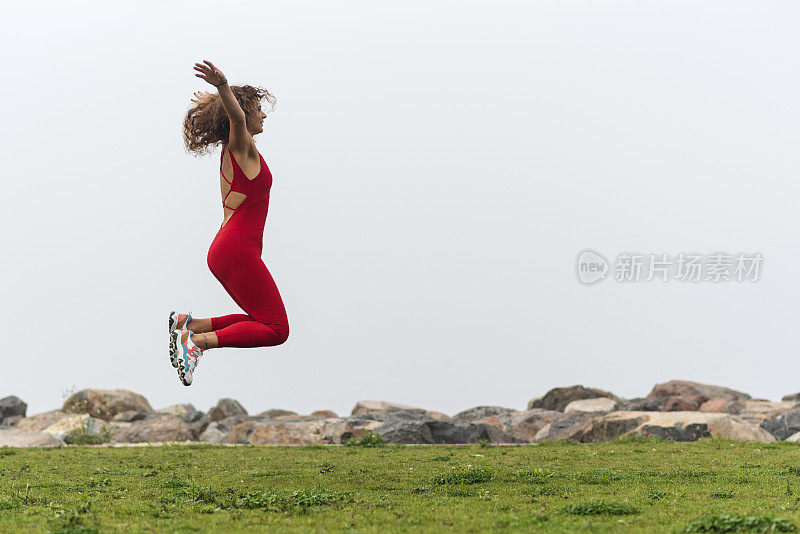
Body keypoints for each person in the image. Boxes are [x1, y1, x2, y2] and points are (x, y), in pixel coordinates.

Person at [171, 60, 290, 386]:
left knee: (261, 320)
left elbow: (234, 117)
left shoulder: (234, 152)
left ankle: (191, 326)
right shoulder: (242, 148)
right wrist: (222, 86)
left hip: (228, 248)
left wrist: (215, 100)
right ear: (244, 113)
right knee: (277, 330)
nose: (264, 116)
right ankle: (195, 344)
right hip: (236, 249)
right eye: (259, 110)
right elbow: (236, 119)